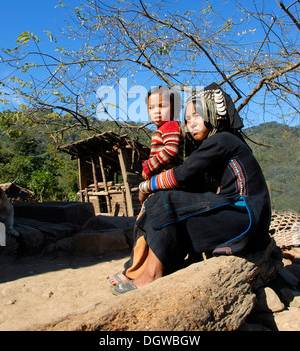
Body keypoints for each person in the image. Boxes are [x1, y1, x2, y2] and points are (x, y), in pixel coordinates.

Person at [108, 83, 272, 295]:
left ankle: (151, 274)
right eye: (187, 120)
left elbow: (183, 173)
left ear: (213, 114)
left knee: (164, 200)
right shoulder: (215, 144)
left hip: (245, 214)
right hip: (240, 216)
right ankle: (145, 267)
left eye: (196, 116)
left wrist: (145, 185)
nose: (191, 124)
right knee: (166, 206)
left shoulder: (223, 140)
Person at [140, 86, 184, 196]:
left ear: (174, 108)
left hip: (168, 176)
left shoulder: (170, 125)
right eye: (151, 107)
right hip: (162, 177)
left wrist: (148, 167)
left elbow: (171, 150)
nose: (156, 111)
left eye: (162, 106)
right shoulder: (163, 128)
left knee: (142, 193)